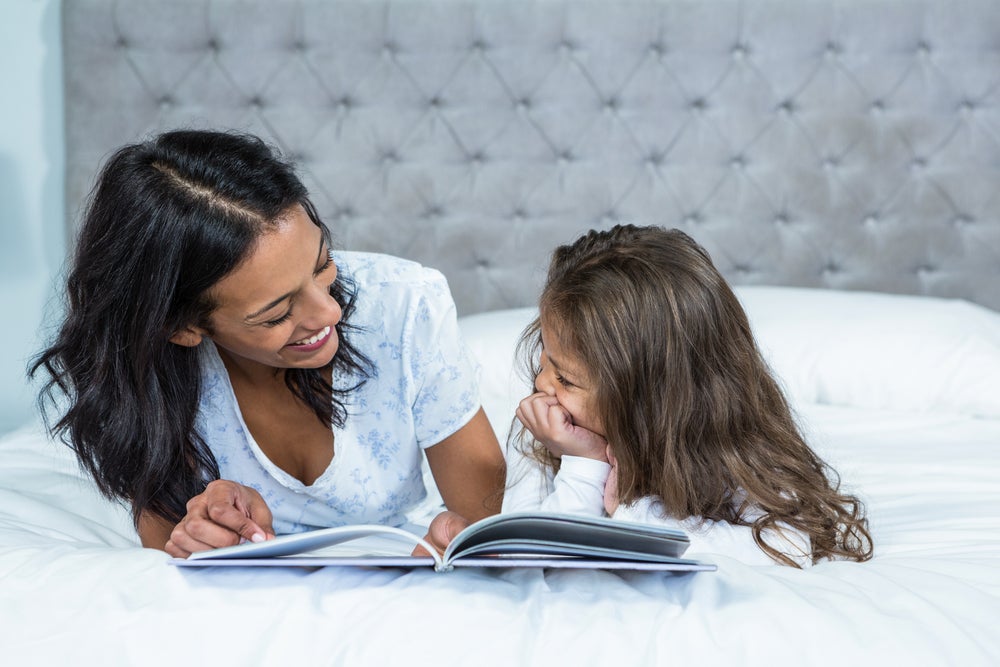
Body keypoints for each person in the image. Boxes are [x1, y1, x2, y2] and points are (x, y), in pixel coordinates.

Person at [32, 129, 505, 557]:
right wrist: (207, 527)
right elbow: (167, 544)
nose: (329, 312)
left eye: (322, 264)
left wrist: (442, 545)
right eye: (277, 313)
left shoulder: (406, 303)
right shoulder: (152, 376)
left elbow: (477, 524)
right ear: (183, 327)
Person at [503, 224, 873, 567]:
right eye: (544, 360)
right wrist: (583, 464)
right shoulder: (541, 438)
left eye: (565, 379)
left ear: (648, 400)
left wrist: (632, 516)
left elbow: (788, 546)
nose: (542, 386)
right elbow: (533, 554)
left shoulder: (728, 450)